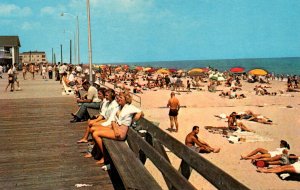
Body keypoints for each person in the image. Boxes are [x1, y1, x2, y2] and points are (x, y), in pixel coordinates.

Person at [92, 93, 144, 165]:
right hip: (116, 130)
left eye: (121, 97)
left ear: (126, 99)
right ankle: (100, 154)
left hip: (121, 133)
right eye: (118, 97)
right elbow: (113, 120)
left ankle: (105, 156)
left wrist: (134, 119)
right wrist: (115, 129)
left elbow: (141, 112)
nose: (118, 98)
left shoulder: (129, 107)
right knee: (95, 130)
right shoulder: (120, 107)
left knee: (96, 134)